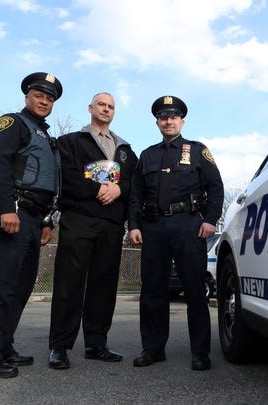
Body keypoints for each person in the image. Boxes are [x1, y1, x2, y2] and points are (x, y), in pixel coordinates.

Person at [0, 72, 62, 378]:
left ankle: (1, 345)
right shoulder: (12, 124)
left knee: (18, 288)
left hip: (34, 221)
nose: (44, 101)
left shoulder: (46, 138)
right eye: (39, 95)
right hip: (9, 215)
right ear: (27, 97)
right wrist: (5, 209)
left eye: (49, 98)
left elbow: (50, 183)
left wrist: (48, 220)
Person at [128, 95, 224, 371]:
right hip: (153, 227)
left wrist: (210, 220)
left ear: (182, 121)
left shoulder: (197, 150)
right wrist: (133, 225)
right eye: (163, 117)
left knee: (194, 289)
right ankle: (153, 349)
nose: (168, 121)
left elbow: (215, 187)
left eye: (173, 116)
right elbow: (136, 195)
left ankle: (200, 352)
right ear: (157, 122)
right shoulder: (147, 155)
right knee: (152, 291)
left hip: (188, 226)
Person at [48, 92, 138, 369]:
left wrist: (119, 188)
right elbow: (67, 175)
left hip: (111, 226)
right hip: (79, 220)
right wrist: (98, 187)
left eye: (111, 106)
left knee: (104, 285)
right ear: (90, 108)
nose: (106, 109)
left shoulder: (125, 150)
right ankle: (60, 347)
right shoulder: (71, 142)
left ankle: (96, 344)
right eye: (102, 104)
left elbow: (135, 184)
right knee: (69, 284)